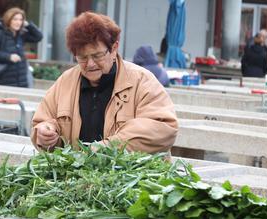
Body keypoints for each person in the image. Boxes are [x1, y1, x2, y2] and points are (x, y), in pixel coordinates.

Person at [31, 12, 178, 154]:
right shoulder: (65, 82)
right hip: (78, 177)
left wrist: (105, 148)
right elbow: (42, 122)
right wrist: (46, 134)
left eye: (97, 55)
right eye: (82, 57)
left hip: (127, 177)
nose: (90, 64)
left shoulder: (141, 80)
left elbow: (163, 128)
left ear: (114, 49)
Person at [0, 7, 42, 87]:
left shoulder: (20, 35)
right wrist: (8, 57)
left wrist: (28, 25)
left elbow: (38, 37)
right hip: (1, 81)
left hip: (20, 82)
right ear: (8, 20)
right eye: (15, 19)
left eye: (21, 20)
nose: (18, 22)